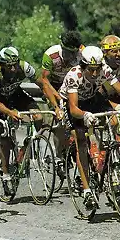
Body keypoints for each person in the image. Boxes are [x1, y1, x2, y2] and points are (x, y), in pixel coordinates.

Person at [59, 46, 120, 209]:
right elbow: (74, 109)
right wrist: (84, 116)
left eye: (97, 69)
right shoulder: (73, 76)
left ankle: (109, 164)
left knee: (113, 121)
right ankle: (87, 190)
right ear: (83, 67)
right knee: (81, 139)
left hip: (92, 98)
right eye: (91, 70)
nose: (95, 74)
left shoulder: (104, 70)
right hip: (73, 105)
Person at [0, 46, 41, 196]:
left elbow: (43, 83)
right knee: (5, 141)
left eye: (15, 64)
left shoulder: (24, 67)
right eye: (9, 66)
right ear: (2, 65)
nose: (13, 68)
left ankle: (26, 148)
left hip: (17, 95)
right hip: (0, 101)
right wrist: (10, 112)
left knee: (39, 117)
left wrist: (55, 103)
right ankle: (5, 175)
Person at [38, 30, 84, 168]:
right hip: (53, 87)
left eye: (74, 53)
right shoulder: (51, 55)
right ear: (61, 47)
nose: (71, 56)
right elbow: (44, 80)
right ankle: (58, 156)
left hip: (72, 86)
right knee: (60, 120)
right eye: (68, 52)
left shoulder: (82, 54)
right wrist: (59, 99)